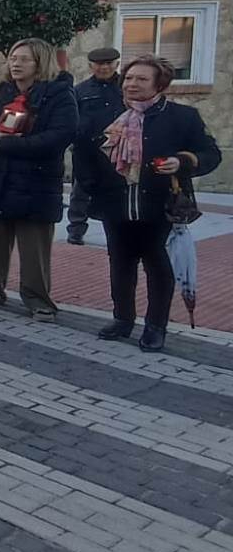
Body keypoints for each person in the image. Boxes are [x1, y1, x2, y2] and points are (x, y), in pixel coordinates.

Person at [79, 55, 220, 352]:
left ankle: (156, 326)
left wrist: (182, 161)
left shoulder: (183, 117)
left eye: (141, 79)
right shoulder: (107, 115)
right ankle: (122, 319)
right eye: (129, 78)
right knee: (120, 263)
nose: (132, 84)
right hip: (116, 204)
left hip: (160, 207)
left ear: (160, 84)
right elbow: (84, 153)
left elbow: (210, 154)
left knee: (157, 266)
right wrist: (92, 187)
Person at [0, 37, 78, 320]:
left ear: (40, 63)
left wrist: (15, 145)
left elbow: (60, 136)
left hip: (37, 181)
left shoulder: (59, 94)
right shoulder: (3, 90)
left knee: (34, 247)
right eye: (13, 58)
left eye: (24, 59)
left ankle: (37, 298)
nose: (16, 64)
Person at [67, 47, 122, 244]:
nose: (104, 67)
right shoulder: (80, 90)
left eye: (109, 63)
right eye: (99, 64)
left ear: (117, 64)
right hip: (86, 149)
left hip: (118, 149)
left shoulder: (126, 87)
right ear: (91, 66)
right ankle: (76, 229)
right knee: (80, 190)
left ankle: (117, 230)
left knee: (118, 191)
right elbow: (71, 119)